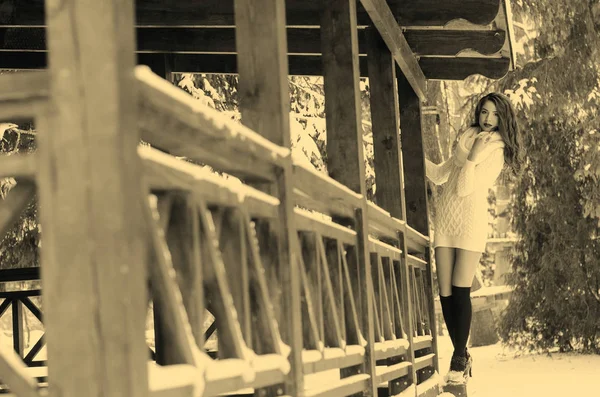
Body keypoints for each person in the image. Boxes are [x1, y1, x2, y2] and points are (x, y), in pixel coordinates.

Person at [425, 93, 521, 383]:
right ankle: (463, 354)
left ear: (502, 118)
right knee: (444, 291)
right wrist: (414, 156)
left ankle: (457, 358)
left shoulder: (497, 151)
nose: (487, 118)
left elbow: (467, 187)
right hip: (446, 218)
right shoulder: (466, 138)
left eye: (493, 114)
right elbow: (443, 175)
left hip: (470, 222)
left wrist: (474, 158)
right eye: (484, 112)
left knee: (460, 288)